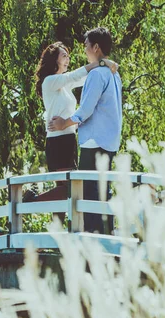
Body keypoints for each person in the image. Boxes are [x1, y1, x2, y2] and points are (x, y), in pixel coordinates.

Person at [26, 42, 118, 224]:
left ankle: (56, 234)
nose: (67, 59)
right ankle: (32, 202)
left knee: (65, 191)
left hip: (69, 141)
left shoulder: (64, 87)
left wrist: (102, 68)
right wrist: (103, 62)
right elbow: (75, 75)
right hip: (58, 143)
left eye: (68, 56)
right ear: (54, 60)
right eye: (63, 56)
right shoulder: (50, 82)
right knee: (70, 189)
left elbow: (81, 78)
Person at [48, 27, 122, 234]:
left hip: (94, 140)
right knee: (102, 190)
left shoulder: (98, 75)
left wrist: (65, 123)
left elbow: (86, 109)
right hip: (109, 140)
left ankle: (92, 236)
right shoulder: (114, 74)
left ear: (96, 47)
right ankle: (106, 233)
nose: (85, 48)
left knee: (89, 192)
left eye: (87, 45)